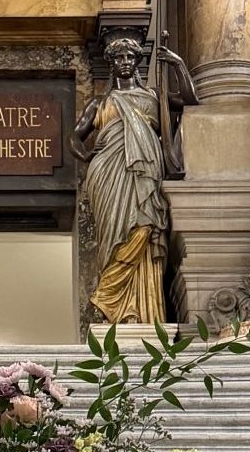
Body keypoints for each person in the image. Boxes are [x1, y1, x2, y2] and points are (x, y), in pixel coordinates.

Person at [71, 32, 197, 327]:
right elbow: (75, 136)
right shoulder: (99, 104)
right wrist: (86, 156)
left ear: (138, 62)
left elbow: (190, 99)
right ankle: (114, 306)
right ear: (112, 64)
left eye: (130, 57)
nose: (125, 62)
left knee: (144, 227)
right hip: (109, 172)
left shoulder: (154, 96)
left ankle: (123, 304)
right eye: (119, 58)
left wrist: (177, 63)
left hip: (146, 173)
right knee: (114, 237)